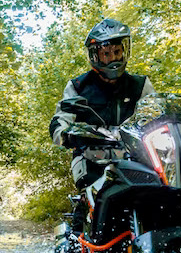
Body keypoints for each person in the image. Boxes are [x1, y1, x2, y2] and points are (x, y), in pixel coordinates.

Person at [49, 18, 155, 236]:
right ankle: (78, 245)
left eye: (116, 52)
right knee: (92, 194)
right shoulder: (78, 86)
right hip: (91, 155)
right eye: (106, 54)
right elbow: (61, 119)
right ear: (95, 56)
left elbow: (156, 114)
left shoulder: (140, 85)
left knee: (160, 190)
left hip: (134, 156)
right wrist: (66, 135)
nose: (112, 58)